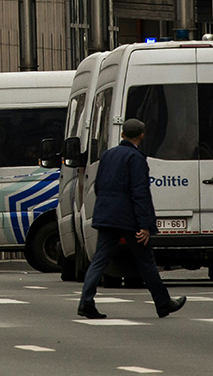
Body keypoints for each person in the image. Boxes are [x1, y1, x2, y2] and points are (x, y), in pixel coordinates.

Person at [77, 118, 186, 319]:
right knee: (146, 262)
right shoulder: (135, 158)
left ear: (122, 134)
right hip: (129, 219)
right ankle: (163, 303)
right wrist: (144, 225)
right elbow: (140, 193)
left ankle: (86, 301)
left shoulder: (107, 155)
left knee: (99, 260)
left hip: (107, 216)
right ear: (142, 136)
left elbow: (99, 186)